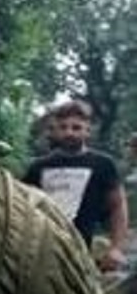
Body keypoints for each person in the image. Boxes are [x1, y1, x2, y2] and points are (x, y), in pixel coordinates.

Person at [22, 100, 128, 271]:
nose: (69, 133)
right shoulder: (38, 166)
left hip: (84, 251)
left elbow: (117, 206)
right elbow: (24, 205)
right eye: (63, 127)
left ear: (88, 130)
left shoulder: (103, 164)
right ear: (55, 130)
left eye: (76, 127)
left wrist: (116, 248)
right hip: (42, 249)